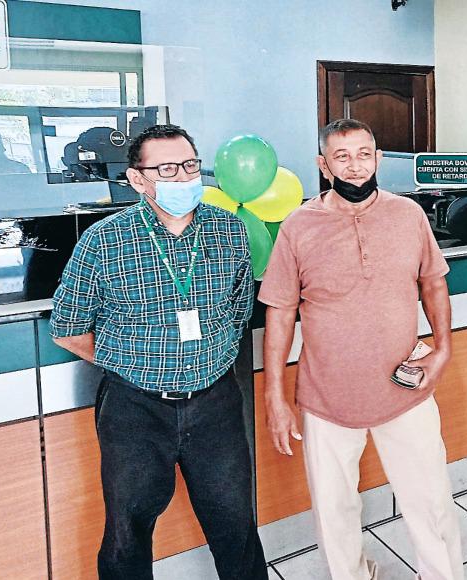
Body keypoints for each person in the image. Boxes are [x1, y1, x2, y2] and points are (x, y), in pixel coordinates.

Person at [50, 124, 269, 580]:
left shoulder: (228, 229)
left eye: (190, 165)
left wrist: (210, 358)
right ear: (137, 179)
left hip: (215, 402)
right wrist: (134, 362)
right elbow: (68, 329)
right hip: (136, 408)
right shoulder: (104, 241)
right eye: (167, 169)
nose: (183, 177)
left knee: (236, 523)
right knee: (127, 532)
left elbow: (238, 309)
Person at [259, 118, 463, 580]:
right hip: (326, 395)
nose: (355, 166)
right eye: (342, 156)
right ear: (323, 165)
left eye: (364, 154)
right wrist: (275, 396)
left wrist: (443, 349)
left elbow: (433, 282)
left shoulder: (408, 214)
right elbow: (280, 312)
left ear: (378, 158)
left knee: (431, 502)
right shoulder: (298, 226)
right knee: (334, 511)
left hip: (405, 386)